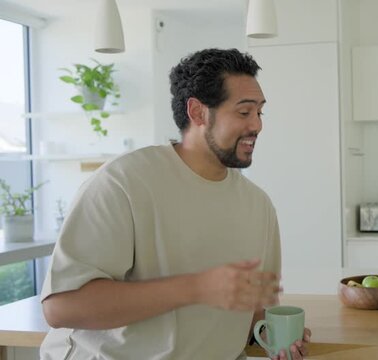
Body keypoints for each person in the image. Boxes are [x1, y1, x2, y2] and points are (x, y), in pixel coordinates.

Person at [40, 48, 311, 360]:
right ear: (197, 112)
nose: (257, 126)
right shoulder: (123, 183)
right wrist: (196, 288)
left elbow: (255, 314)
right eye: (243, 112)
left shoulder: (259, 206)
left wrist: (278, 337)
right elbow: (61, 307)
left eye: (259, 113)